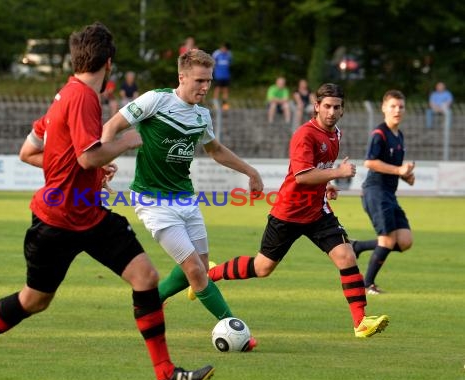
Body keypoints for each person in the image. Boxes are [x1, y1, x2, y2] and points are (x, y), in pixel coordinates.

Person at [0, 22, 214, 380]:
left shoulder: (64, 96)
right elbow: (89, 156)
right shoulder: (85, 98)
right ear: (109, 63)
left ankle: (165, 375)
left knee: (145, 277)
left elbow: (33, 152)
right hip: (60, 220)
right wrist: (126, 142)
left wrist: (85, 168)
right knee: (34, 299)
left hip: (84, 215)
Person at [189, 83, 390, 338]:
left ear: (342, 110)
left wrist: (327, 184)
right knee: (262, 268)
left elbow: (318, 170)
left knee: (347, 256)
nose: (331, 112)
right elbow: (303, 176)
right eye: (326, 106)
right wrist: (337, 173)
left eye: (336, 107)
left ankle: (360, 322)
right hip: (289, 212)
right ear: (316, 107)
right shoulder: (304, 135)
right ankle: (210, 275)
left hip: (317, 212)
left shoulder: (335, 134)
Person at [102, 49, 263, 347]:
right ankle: (236, 329)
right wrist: (100, 161)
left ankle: (151, 301)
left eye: (209, 81)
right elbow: (111, 127)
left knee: (199, 265)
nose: (204, 87)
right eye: (199, 80)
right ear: (182, 77)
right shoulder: (156, 100)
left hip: (185, 198)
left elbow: (215, 151)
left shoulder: (202, 115)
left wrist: (249, 171)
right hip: (152, 200)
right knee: (195, 271)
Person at [351, 90, 415, 295]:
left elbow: (392, 165)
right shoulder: (379, 133)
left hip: (389, 194)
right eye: (393, 106)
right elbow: (369, 162)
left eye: (401, 106)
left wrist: (406, 176)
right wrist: (399, 171)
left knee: (404, 241)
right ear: (384, 108)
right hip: (375, 192)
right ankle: (367, 284)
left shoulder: (399, 135)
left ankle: (358, 246)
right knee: (387, 240)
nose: (397, 110)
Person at [212, 42, 232, 111]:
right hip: (218, 76)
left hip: (226, 76)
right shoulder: (216, 53)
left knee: (225, 90)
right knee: (217, 89)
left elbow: (229, 64)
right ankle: (215, 104)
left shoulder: (229, 54)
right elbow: (213, 63)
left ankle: (225, 104)